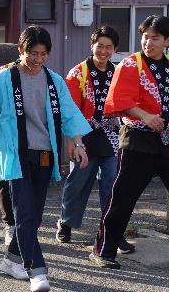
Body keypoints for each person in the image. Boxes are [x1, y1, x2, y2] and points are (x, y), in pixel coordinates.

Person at [0, 26, 91, 292]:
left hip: (44, 154)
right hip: (13, 153)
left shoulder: (54, 81)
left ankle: (11, 260)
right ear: (21, 50)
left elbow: (68, 115)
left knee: (35, 215)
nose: (38, 59)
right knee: (24, 213)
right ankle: (37, 271)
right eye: (33, 53)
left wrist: (78, 144)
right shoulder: (2, 78)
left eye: (43, 54)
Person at [89, 16, 169, 268]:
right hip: (137, 138)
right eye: (145, 37)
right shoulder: (130, 64)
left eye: (155, 38)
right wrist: (146, 116)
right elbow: (117, 101)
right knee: (123, 197)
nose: (148, 42)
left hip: (168, 141)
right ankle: (104, 249)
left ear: (167, 41)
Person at [57, 26, 134, 252]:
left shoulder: (119, 72)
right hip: (84, 134)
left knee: (112, 184)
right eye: (99, 46)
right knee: (78, 182)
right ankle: (66, 223)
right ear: (92, 46)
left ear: (116, 49)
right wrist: (71, 140)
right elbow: (69, 109)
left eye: (109, 47)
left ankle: (113, 233)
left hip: (111, 134)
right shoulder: (77, 73)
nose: (103, 51)